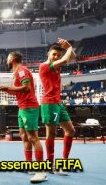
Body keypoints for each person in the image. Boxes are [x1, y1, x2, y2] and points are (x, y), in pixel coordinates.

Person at [0, 51, 47, 183]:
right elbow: (18, 92)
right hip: (22, 107)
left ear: (13, 58)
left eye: (7, 58)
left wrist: (9, 87)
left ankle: (40, 171)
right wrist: (7, 90)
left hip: (29, 107)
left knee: (33, 137)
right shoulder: (16, 73)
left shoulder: (21, 70)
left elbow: (26, 88)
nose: (6, 60)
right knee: (24, 136)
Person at [39, 38, 76, 175]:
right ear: (49, 54)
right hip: (49, 103)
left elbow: (72, 58)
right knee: (51, 134)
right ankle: (49, 164)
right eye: (54, 54)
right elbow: (66, 59)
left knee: (71, 131)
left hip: (58, 103)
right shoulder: (44, 66)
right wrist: (68, 48)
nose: (56, 57)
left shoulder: (57, 66)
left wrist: (69, 47)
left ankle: (63, 163)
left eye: (58, 55)